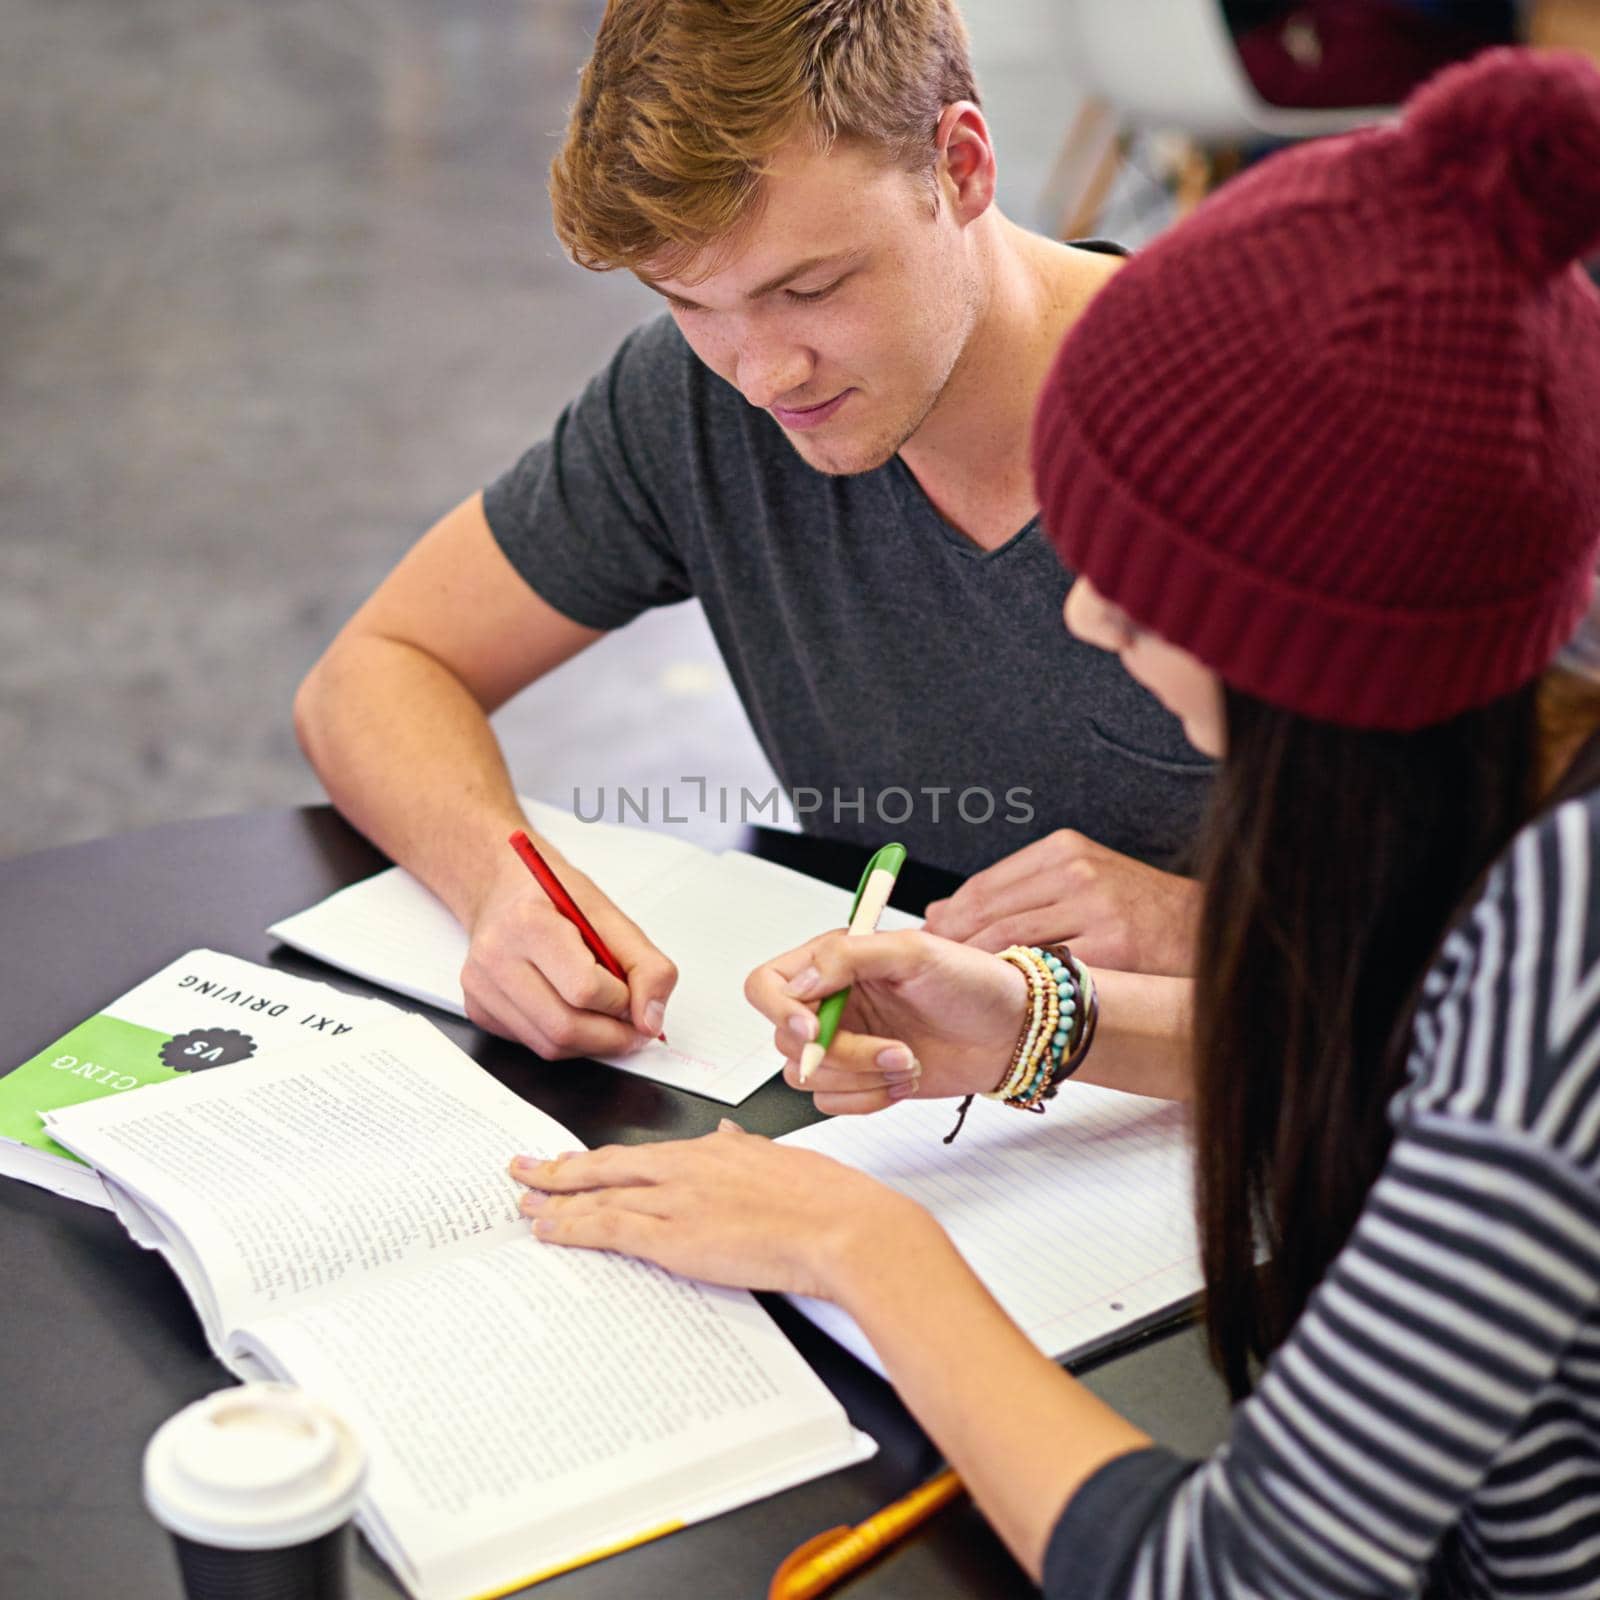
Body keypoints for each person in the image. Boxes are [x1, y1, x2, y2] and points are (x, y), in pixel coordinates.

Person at [508, 49, 1600, 1597]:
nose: (1088, 614)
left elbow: (1229, 1577)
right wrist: (1044, 1021)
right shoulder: (1522, 784)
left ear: (1318, 637)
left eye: (1149, 579)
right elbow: (1404, 1038)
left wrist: (861, 1249)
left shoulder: (1560, 966)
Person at [291, 0, 1213, 1066]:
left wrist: (1213, 928)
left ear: (960, 167)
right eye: (692, 302)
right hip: (910, 1095)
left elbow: (1450, 960)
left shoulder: (1278, 429)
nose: (765, 373)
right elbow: (374, 671)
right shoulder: (695, 400)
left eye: (810, 288)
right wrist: (507, 885)